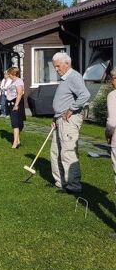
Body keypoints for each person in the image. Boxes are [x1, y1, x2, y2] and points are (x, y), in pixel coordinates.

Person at [50, 52, 90, 194]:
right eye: (54, 67)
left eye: (58, 66)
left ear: (67, 63)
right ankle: (60, 182)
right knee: (55, 152)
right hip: (59, 119)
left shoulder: (74, 77)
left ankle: (73, 185)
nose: (56, 69)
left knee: (67, 152)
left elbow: (85, 95)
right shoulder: (64, 78)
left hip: (69, 120)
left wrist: (71, 109)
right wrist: (55, 118)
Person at [5, 67, 25, 149]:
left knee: (16, 123)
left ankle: (15, 142)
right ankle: (18, 140)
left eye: (9, 73)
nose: (8, 75)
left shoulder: (18, 81)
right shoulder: (12, 81)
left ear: (13, 73)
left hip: (15, 103)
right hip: (10, 102)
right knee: (15, 122)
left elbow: (20, 93)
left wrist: (16, 105)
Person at [106, 69, 116, 195]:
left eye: (113, 78)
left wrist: (108, 134)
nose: (111, 82)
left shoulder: (113, 95)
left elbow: (112, 122)